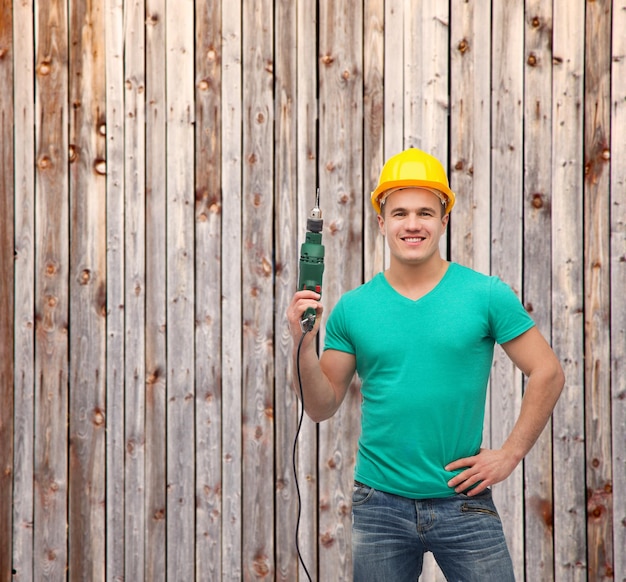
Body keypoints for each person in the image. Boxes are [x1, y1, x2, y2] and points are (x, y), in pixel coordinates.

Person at [286, 147, 565, 581]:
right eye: (399, 213)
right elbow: (321, 406)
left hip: (464, 502)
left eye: (424, 212)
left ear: (443, 220)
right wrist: (303, 345)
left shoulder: (485, 295)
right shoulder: (353, 309)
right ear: (382, 223)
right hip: (379, 505)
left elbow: (547, 370)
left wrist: (510, 455)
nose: (412, 224)